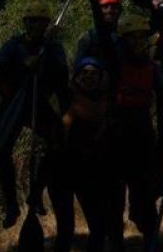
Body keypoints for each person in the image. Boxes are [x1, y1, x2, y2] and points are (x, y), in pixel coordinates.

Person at [0, 1, 69, 229]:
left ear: (46, 25)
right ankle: (11, 205)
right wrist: (23, 65)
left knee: (57, 143)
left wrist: (47, 58)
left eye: (41, 22)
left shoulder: (52, 47)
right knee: (1, 150)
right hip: (14, 102)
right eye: (32, 21)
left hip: (38, 101)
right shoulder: (13, 46)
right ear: (25, 23)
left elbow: (62, 81)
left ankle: (36, 193)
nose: (36, 26)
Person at [105, 13, 163, 248]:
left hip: (142, 133)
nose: (138, 42)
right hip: (116, 133)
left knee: (144, 194)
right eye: (133, 38)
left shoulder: (152, 68)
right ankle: (116, 241)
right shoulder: (115, 63)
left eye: (142, 37)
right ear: (124, 40)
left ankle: (149, 237)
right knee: (115, 196)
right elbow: (102, 36)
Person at [51, 57, 111, 252]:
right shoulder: (67, 100)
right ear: (76, 78)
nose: (89, 77)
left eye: (94, 74)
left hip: (90, 174)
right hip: (64, 173)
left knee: (99, 228)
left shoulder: (107, 105)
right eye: (84, 73)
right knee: (66, 231)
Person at [74, 0, 122, 65]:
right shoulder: (88, 38)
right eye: (105, 7)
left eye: (114, 7)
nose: (109, 11)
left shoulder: (124, 36)